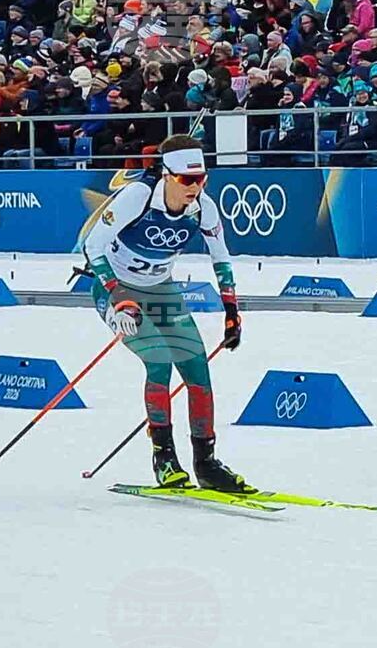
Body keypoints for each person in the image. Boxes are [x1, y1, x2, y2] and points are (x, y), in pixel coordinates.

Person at [81, 134, 248, 492]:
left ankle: (206, 464)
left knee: (196, 365)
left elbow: (221, 256)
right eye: (187, 180)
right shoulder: (137, 196)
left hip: (160, 290)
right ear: (167, 175)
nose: (195, 187)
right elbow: (92, 245)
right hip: (116, 290)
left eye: (201, 178)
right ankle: (164, 459)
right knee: (158, 360)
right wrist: (118, 295)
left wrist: (231, 310)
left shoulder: (204, 206)